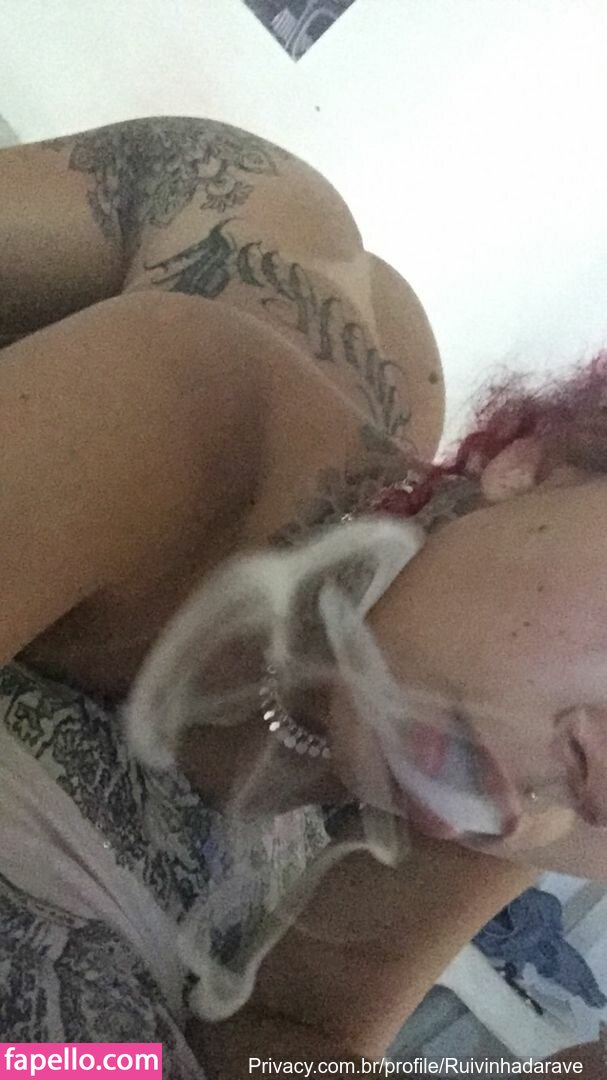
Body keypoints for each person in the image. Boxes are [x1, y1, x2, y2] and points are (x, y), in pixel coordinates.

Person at [1, 115, 605, 1076]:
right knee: (306, 253)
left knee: (392, 347)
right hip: (229, 216)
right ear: (538, 462)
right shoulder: (172, 421)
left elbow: (296, 1037)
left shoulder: (506, 775)